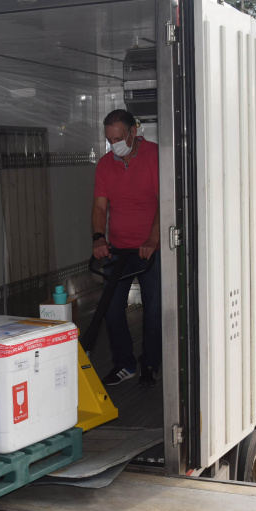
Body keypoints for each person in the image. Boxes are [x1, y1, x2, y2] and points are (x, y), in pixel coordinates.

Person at [91, 109, 161, 387]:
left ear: (134, 132)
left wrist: (153, 240)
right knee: (111, 308)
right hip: (119, 250)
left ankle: (151, 363)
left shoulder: (156, 156)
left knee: (154, 310)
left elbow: (164, 202)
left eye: (119, 138)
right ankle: (124, 364)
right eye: (109, 140)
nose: (114, 145)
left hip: (151, 250)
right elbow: (99, 206)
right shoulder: (106, 165)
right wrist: (99, 237)